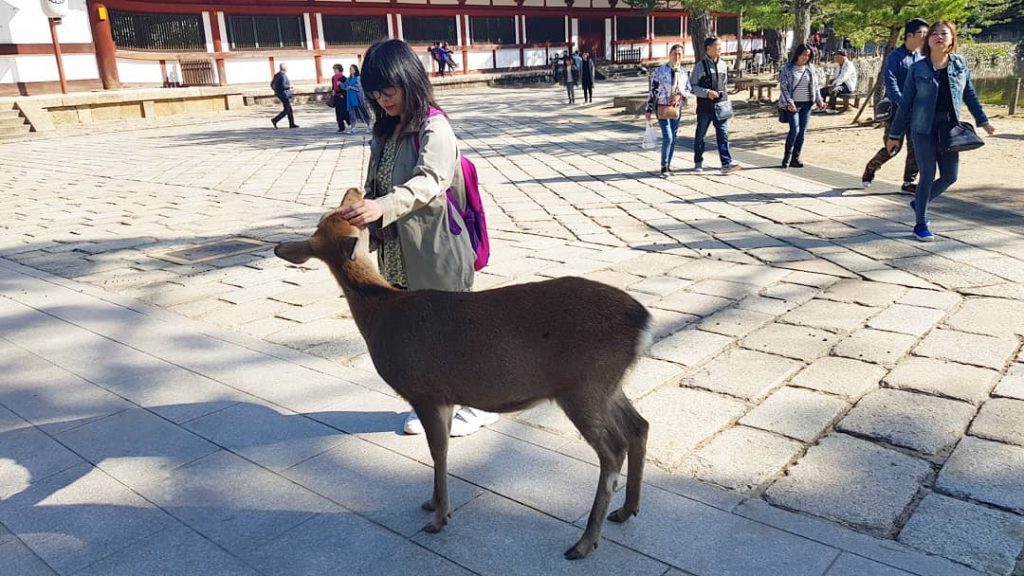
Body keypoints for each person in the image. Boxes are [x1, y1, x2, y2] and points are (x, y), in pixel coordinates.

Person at [339, 38, 498, 437]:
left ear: (410, 80)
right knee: (416, 334)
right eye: (375, 91)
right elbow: (376, 184)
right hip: (398, 252)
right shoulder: (386, 131)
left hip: (436, 248)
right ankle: (436, 404)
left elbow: (430, 180)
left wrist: (383, 207)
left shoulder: (434, 125)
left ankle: (479, 406)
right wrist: (364, 215)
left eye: (388, 89)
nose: (382, 98)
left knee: (451, 332)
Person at [886, 21, 995, 242]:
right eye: (933, 33)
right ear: (927, 40)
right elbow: (906, 103)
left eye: (943, 33)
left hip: (949, 128)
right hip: (922, 127)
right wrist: (894, 135)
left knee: (949, 176)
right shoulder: (918, 68)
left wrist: (983, 121)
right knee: (927, 174)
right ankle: (920, 222)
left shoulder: (960, 64)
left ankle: (919, 203)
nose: (938, 36)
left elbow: (970, 95)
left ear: (952, 39)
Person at [862, 18, 929, 191]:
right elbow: (890, 82)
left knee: (916, 147)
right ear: (910, 35)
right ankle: (872, 166)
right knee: (893, 147)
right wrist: (902, 102)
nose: (925, 37)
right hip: (897, 110)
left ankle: (909, 182)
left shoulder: (923, 57)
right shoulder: (895, 56)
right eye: (922, 33)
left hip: (917, 111)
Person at [691, 37, 741, 174]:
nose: (720, 48)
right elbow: (693, 87)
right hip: (704, 107)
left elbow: (724, 84)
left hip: (721, 105)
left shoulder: (723, 65)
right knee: (700, 135)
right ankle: (698, 161)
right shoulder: (699, 66)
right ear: (708, 48)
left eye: (720, 46)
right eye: (717, 46)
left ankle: (726, 163)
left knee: (723, 134)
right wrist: (706, 93)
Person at [644, 44, 691, 176]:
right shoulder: (660, 71)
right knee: (668, 136)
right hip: (662, 107)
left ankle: (668, 164)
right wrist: (648, 109)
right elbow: (653, 91)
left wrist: (680, 95)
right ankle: (664, 165)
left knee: (674, 137)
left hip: (676, 108)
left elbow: (689, 89)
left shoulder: (684, 72)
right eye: (675, 53)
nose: (677, 56)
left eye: (680, 54)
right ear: (670, 54)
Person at [778, 44, 826, 168]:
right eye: (804, 54)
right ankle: (786, 157)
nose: (806, 57)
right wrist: (789, 102)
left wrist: (819, 100)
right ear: (798, 54)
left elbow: (815, 86)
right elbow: (783, 87)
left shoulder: (810, 68)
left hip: (807, 103)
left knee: (802, 132)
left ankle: (796, 157)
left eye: (808, 55)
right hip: (792, 104)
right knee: (795, 129)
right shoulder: (788, 68)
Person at [346, 64, 373, 132]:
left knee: (363, 111)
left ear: (355, 70)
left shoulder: (358, 78)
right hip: (350, 98)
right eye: (350, 69)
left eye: (352, 69)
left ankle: (369, 125)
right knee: (352, 113)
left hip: (358, 97)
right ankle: (353, 127)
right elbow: (345, 85)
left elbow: (360, 88)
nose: (350, 70)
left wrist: (351, 87)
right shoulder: (348, 79)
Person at [271, 64, 298, 128]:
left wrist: (276, 91)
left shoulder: (277, 75)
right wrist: (290, 86)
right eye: (286, 67)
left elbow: (272, 84)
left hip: (280, 94)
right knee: (287, 110)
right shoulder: (282, 75)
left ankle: (291, 124)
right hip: (284, 94)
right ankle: (275, 120)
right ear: (284, 68)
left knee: (289, 109)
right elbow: (283, 86)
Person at [330, 63, 350, 132]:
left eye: (336, 69)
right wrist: (333, 91)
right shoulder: (333, 78)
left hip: (343, 96)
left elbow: (346, 87)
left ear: (339, 70)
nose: (335, 71)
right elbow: (333, 86)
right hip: (336, 95)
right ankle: (341, 126)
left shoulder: (343, 78)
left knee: (344, 110)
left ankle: (348, 121)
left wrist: (343, 93)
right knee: (338, 111)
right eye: (334, 69)